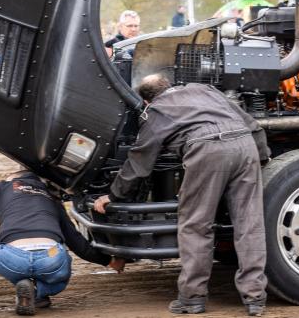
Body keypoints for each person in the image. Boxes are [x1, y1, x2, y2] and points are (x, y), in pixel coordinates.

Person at [94, 74, 270, 316]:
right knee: (249, 224)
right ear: (169, 85)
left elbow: (139, 163)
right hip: (244, 144)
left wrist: (113, 196)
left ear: (146, 101)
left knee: (196, 225)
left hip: (206, 150)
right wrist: (261, 156)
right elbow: (250, 123)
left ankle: (192, 298)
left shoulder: (155, 110)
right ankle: (255, 298)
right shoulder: (204, 89)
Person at [0, 169, 125, 315]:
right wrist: (108, 261)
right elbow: (77, 242)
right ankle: (40, 293)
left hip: (12, 258)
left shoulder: (2, 188)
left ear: (12, 178)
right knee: (62, 252)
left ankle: (23, 284)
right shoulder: (51, 198)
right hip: (51, 259)